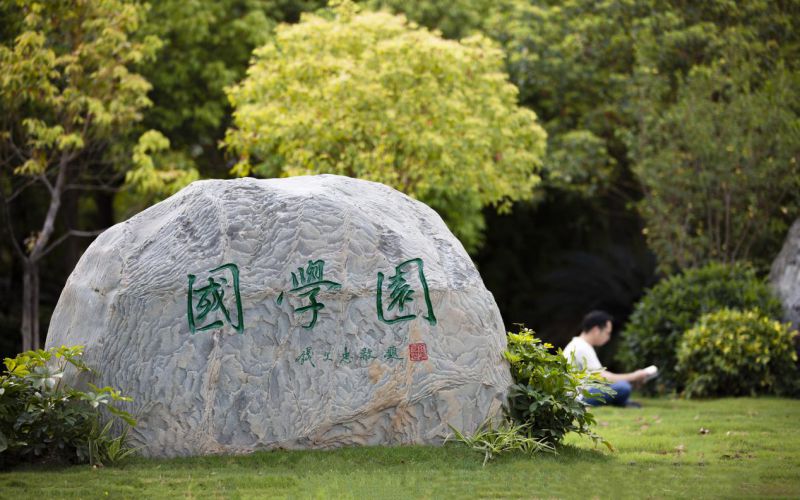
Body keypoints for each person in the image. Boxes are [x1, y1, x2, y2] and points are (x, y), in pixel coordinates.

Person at [563, 310, 649, 407]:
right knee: (623, 387)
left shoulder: (578, 344)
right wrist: (634, 376)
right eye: (607, 333)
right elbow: (603, 377)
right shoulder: (582, 347)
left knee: (620, 387)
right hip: (578, 397)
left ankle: (624, 403)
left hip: (580, 393)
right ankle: (623, 403)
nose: (608, 338)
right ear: (596, 330)